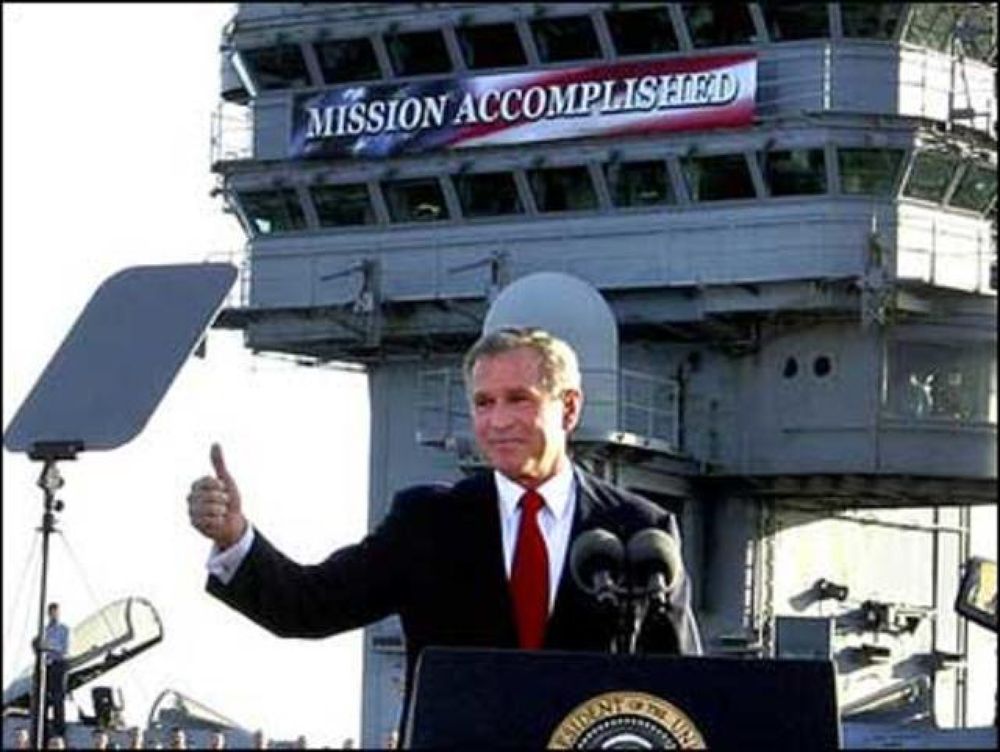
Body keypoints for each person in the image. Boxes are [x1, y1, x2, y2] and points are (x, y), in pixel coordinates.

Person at [187, 327, 702, 732]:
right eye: (483, 403)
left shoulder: (640, 530)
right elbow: (309, 605)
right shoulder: (427, 523)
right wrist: (235, 539)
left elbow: (685, 690)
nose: (497, 421)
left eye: (518, 399)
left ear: (568, 407)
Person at [42, 603, 70, 737]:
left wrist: (50, 648)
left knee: (58, 697)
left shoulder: (64, 629)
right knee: (44, 697)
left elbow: (65, 650)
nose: (53, 615)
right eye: (51, 612)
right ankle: (44, 727)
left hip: (59, 664)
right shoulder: (45, 630)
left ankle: (59, 729)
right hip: (47, 665)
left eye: (55, 612)